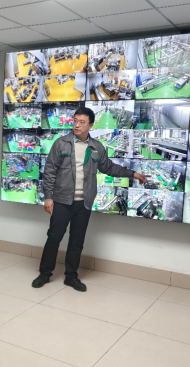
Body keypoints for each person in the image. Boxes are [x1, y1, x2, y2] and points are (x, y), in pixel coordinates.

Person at [32, 107, 148, 292]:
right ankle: (45, 273)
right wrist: (48, 197)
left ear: (91, 125)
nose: (77, 125)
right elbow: (50, 171)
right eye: (75, 121)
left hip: (84, 202)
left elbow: (109, 168)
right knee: (54, 238)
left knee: (77, 241)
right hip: (62, 200)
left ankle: (71, 276)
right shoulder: (61, 144)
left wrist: (132, 173)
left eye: (82, 122)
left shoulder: (96, 147)